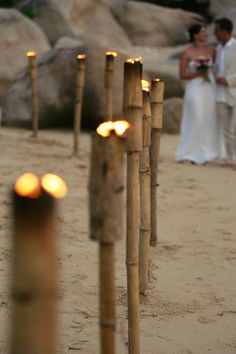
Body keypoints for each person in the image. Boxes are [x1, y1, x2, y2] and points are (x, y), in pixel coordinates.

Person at [176, 24, 220, 165]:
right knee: (195, 117)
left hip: (209, 88)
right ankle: (188, 153)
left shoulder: (212, 49)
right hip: (195, 87)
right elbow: (182, 74)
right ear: (195, 35)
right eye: (202, 32)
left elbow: (217, 68)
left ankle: (208, 153)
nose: (206, 34)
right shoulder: (187, 52)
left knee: (209, 119)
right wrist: (198, 73)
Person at [214, 18, 236, 165]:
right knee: (225, 128)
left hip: (234, 91)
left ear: (225, 31)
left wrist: (228, 80)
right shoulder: (218, 49)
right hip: (220, 94)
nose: (214, 33)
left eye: (217, 30)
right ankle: (231, 157)